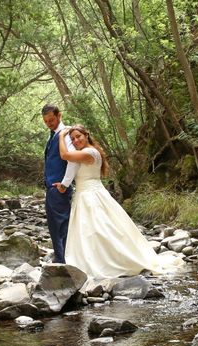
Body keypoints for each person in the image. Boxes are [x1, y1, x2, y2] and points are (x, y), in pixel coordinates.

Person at [58, 124, 183, 278]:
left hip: (90, 196)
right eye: (73, 139)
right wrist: (64, 184)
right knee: (94, 230)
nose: (76, 140)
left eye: (78, 136)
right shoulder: (88, 152)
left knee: (98, 229)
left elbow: (64, 155)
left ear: (86, 135)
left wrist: (61, 136)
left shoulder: (88, 152)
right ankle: (97, 258)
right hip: (88, 193)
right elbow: (72, 169)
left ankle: (107, 261)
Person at [42, 103, 79, 264]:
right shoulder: (53, 135)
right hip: (52, 189)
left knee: (61, 226)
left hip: (60, 189)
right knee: (54, 226)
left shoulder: (66, 134)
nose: (49, 123)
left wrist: (64, 184)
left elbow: (72, 161)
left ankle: (63, 261)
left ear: (59, 116)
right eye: (46, 121)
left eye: (51, 120)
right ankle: (61, 258)